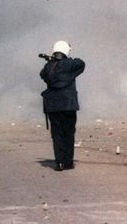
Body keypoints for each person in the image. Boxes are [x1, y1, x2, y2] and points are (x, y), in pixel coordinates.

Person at [40, 40, 85, 171]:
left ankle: (59, 162)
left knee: (57, 134)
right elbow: (81, 63)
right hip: (68, 105)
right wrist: (62, 61)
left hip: (53, 106)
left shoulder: (49, 67)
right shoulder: (70, 65)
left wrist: (51, 61)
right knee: (69, 134)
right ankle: (68, 162)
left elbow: (43, 75)